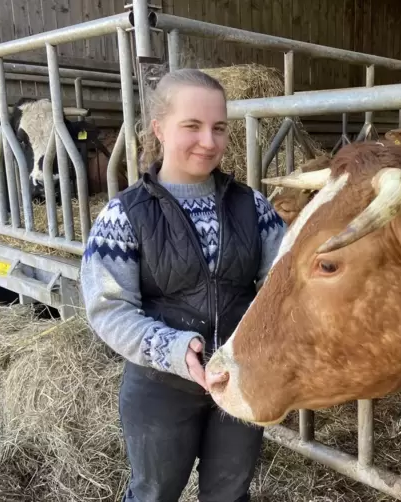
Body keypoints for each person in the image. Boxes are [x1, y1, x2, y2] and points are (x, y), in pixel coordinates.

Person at [80, 68, 287, 502]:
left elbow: (282, 286)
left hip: (238, 379)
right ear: (158, 128)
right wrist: (171, 348)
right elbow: (108, 309)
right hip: (160, 386)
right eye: (191, 126)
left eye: (219, 128)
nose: (208, 142)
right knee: (154, 493)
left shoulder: (253, 206)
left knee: (229, 493)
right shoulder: (125, 215)